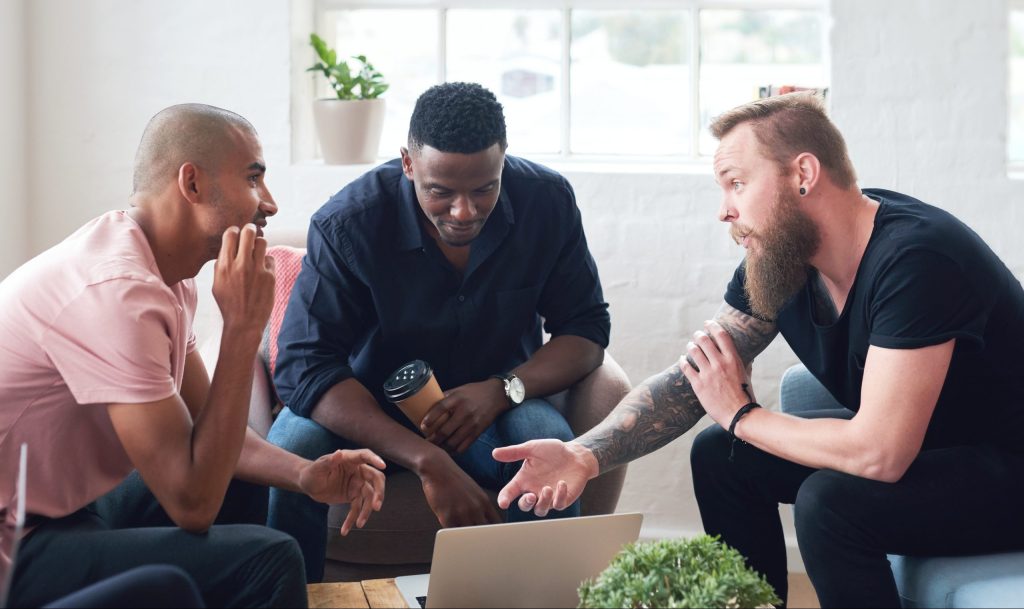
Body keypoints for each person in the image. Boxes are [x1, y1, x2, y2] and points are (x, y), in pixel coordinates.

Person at [492, 92, 1024, 608]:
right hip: (934, 453)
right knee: (721, 455)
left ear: (803, 174)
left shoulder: (917, 260)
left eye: (737, 184)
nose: (725, 211)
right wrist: (585, 454)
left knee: (829, 504)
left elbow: (879, 454)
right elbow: (692, 384)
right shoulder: (784, 258)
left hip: (1006, 471)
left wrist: (742, 414)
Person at [0, 103, 386, 608]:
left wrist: (303, 474)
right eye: (253, 178)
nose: (268, 203)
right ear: (193, 184)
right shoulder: (119, 293)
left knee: (236, 476)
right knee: (269, 558)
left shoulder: (162, 275)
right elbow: (192, 505)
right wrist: (242, 330)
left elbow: (210, 422)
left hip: (61, 512)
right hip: (16, 547)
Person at [267, 82, 627, 582]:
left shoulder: (546, 201)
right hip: (367, 413)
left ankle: (538, 597)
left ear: (503, 161)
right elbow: (305, 366)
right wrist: (429, 461)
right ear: (408, 164)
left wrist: (503, 390)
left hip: (497, 403)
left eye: (485, 188)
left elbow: (586, 330)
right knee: (295, 439)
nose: (464, 211)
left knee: (545, 440)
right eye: (440, 191)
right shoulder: (348, 223)